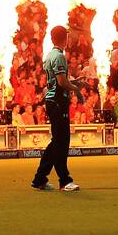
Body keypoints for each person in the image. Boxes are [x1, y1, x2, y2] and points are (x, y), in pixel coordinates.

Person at [31, 25, 79, 192]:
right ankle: (64, 180)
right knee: (61, 141)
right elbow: (61, 82)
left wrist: (73, 83)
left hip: (53, 100)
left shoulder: (50, 55)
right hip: (58, 100)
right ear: (64, 39)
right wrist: (75, 88)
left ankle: (40, 178)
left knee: (58, 141)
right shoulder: (59, 56)